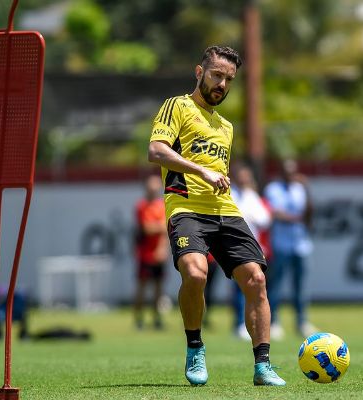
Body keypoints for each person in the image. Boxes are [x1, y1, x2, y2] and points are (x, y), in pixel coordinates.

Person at [148, 45, 285, 386]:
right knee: (195, 274)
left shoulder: (226, 126)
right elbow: (156, 150)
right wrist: (202, 171)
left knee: (256, 279)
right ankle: (195, 348)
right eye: (216, 75)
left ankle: (263, 366)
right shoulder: (177, 106)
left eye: (229, 79)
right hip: (185, 207)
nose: (222, 84)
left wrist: (216, 178)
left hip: (224, 210)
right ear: (199, 72)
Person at [264, 159, 317, 339]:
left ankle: (301, 321)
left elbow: (309, 210)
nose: (290, 175)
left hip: (300, 244)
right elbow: (274, 212)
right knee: (276, 285)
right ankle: (274, 322)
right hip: (281, 243)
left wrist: (308, 188)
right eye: (287, 172)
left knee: (300, 286)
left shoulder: (300, 188)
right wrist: (295, 219)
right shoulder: (273, 189)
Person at [230, 164, 271, 341]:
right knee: (239, 288)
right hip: (232, 245)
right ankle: (239, 323)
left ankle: (256, 325)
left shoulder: (251, 196)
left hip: (251, 246)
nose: (244, 179)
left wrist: (248, 214)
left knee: (256, 286)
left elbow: (265, 219)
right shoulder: (228, 192)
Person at [133, 175, 168, 330]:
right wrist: (160, 226)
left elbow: (165, 230)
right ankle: (139, 318)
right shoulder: (142, 206)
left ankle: (156, 318)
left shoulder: (162, 205)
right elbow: (147, 228)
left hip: (159, 254)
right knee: (142, 287)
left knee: (158, 289)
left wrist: (163, 248)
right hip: (145, 254)